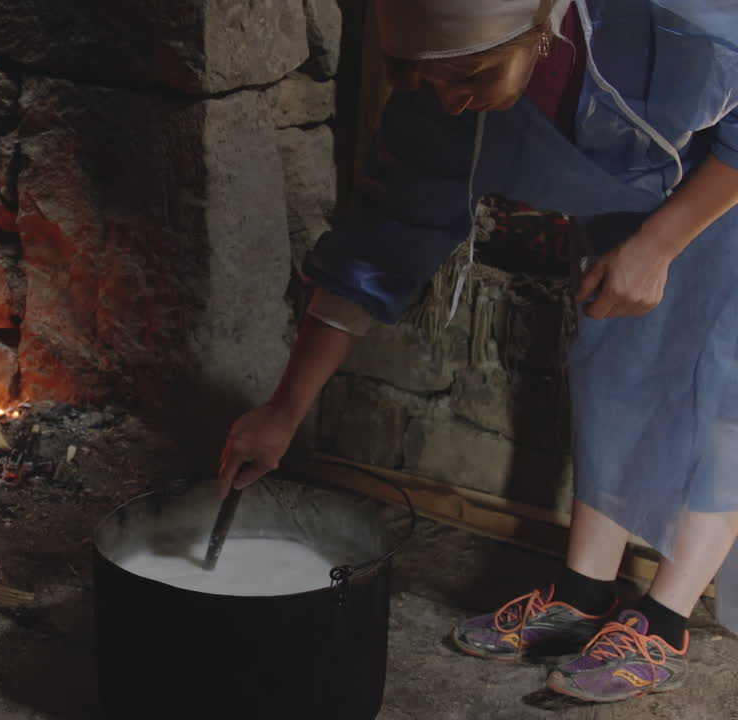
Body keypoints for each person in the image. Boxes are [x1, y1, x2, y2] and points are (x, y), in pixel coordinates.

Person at [217, 0, 738, 704]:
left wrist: (657, 245)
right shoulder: (443, 100)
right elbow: (375, 247)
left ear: (541, 28)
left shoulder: (681, 19)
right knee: (612, 365)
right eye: (433, 81)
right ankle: (584, 594)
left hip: (723, 182)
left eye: (472, 74)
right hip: (633, 195)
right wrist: (283, 411)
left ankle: (665, 617)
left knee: (723, 388)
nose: (455, 99)